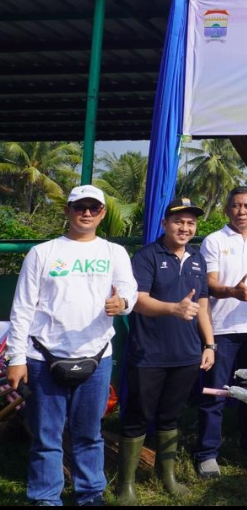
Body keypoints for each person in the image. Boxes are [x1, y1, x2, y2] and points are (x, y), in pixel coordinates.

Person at [6, 184, 137, 506]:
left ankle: (90, 493)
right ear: (67, 211)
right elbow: (22, 307)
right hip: (43, 357)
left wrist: (122, 303)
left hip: (96, 357)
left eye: (94, 207)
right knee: (46, 436)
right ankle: (45, 497)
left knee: (89, 433)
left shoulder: (113, 253)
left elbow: (130, 291)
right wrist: (15, 358)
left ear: (103, 213)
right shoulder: (43, 252)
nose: (87, 213)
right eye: (80, 207)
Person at [117, 197, 215, 504]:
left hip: (186, 354)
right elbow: (139, 300)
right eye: (178, 222)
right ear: (164, 224)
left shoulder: (198, 260)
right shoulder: (146, 256)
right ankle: (126, 484)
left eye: (190, 222)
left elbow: (201, 307)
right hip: (149, 354)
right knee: (136, 416)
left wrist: (209, 344)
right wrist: (172, 308)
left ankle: (167, 475)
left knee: (171, 417)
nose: (185, 228)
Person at [196, 186, 247, 478]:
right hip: (222, 330)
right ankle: (207, 454)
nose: (242, 211)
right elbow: (208, 284)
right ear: (227, 209)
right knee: (216, 394)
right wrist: (232, 292)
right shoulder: (213, 241)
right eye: (236, 206)